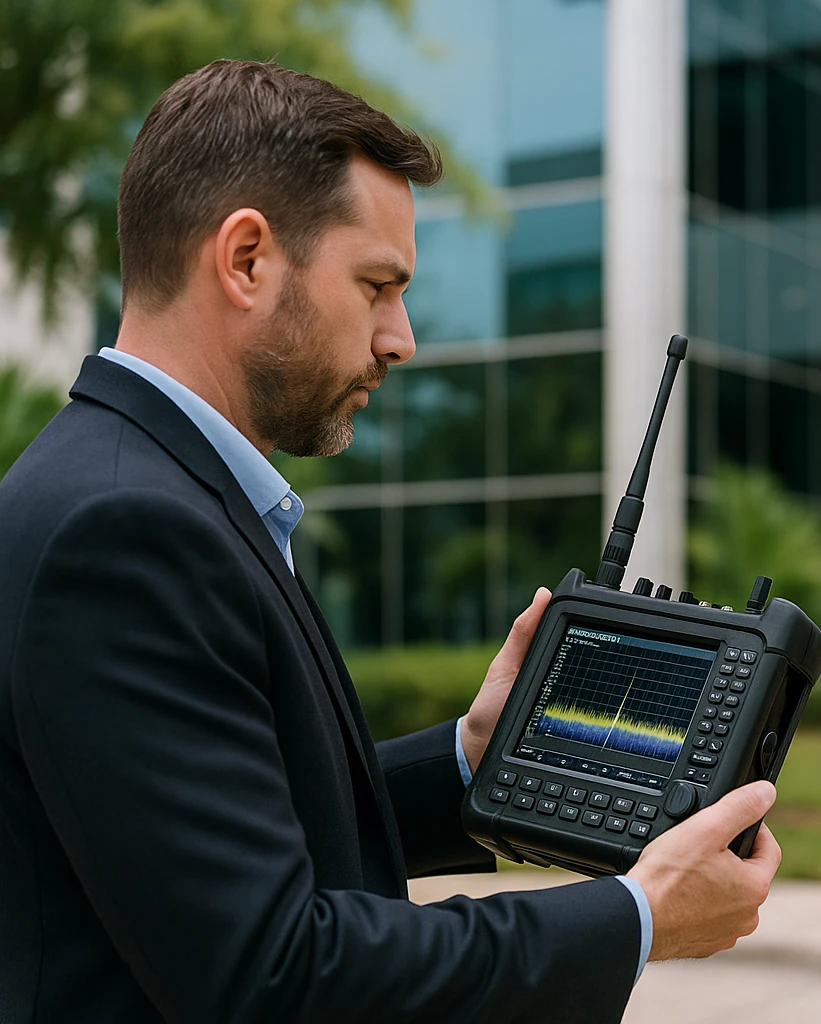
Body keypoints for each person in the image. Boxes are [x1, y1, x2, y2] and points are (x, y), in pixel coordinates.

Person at [0, 60, 781, 1023]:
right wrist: (639, 916)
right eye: (377, 285)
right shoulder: (123, 531)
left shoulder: (139, 487)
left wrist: (470, 760)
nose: (400, 338)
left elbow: (232, 846)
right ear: (246, 260)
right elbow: (276, 975)